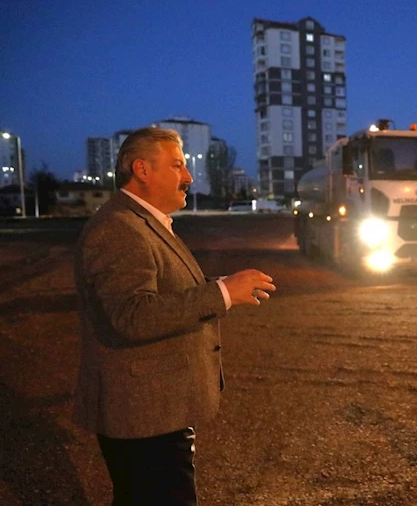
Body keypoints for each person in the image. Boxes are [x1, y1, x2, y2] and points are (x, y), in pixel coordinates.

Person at [73, 127, 276, 505]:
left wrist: (222, 287)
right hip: (142, 415)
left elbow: (161, 292)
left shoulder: (142, 222)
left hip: (155, 411)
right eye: (178, 165)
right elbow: (132, 315)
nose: (188, 177)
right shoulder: (119, 228)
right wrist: (221, 293)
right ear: (142, 170)